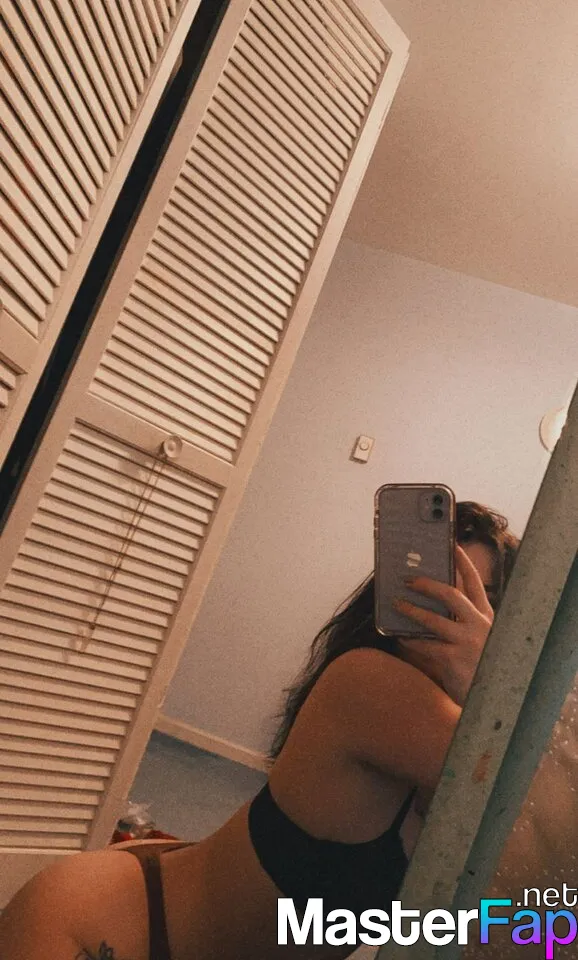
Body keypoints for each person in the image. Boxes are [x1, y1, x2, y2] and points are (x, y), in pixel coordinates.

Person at [0, 501, 519, 960]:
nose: (446, 616)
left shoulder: (470, 725)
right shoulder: (369, 682)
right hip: (109, 926)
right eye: (435, 590)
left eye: (478, 601)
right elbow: (538, 791)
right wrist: (495, 678)